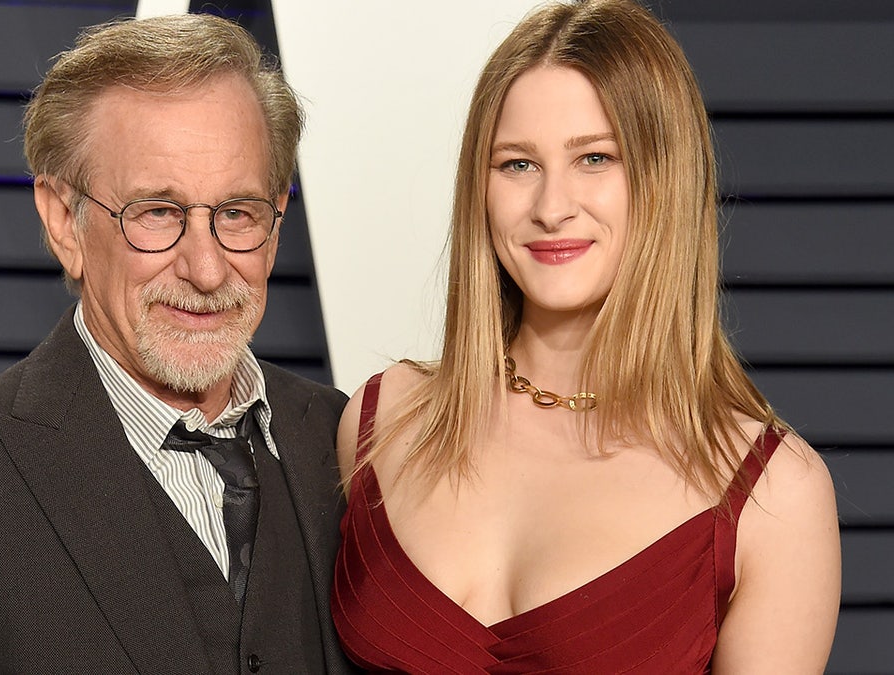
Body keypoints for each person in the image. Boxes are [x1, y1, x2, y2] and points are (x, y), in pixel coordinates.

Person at [0, 14, 354, 675]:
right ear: (63, 222)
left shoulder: (350, 442)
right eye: (157, 212)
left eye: (237, 214)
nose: (207, 268)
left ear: (275, 218)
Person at [331, 0, 841, 672]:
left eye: (595, 158)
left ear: (666, 180)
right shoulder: (384, 420)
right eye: (517, 164)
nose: (551, 207)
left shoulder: (774, 494)